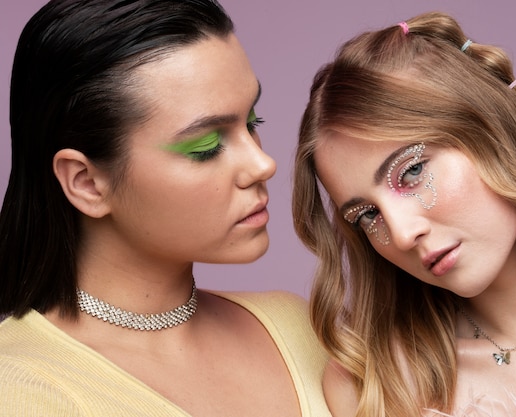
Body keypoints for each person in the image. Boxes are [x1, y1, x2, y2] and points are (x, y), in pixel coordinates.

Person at [0, 1, 331, 416]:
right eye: (205, 147)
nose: (263, 164)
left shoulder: (298, 327)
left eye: (252, 124)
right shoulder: (22, 389)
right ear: (86, 183)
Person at [293, 11, 516, 416]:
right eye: (367, 215)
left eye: (411, 171)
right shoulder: (383, 386)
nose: (400, 235)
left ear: (494, 132)